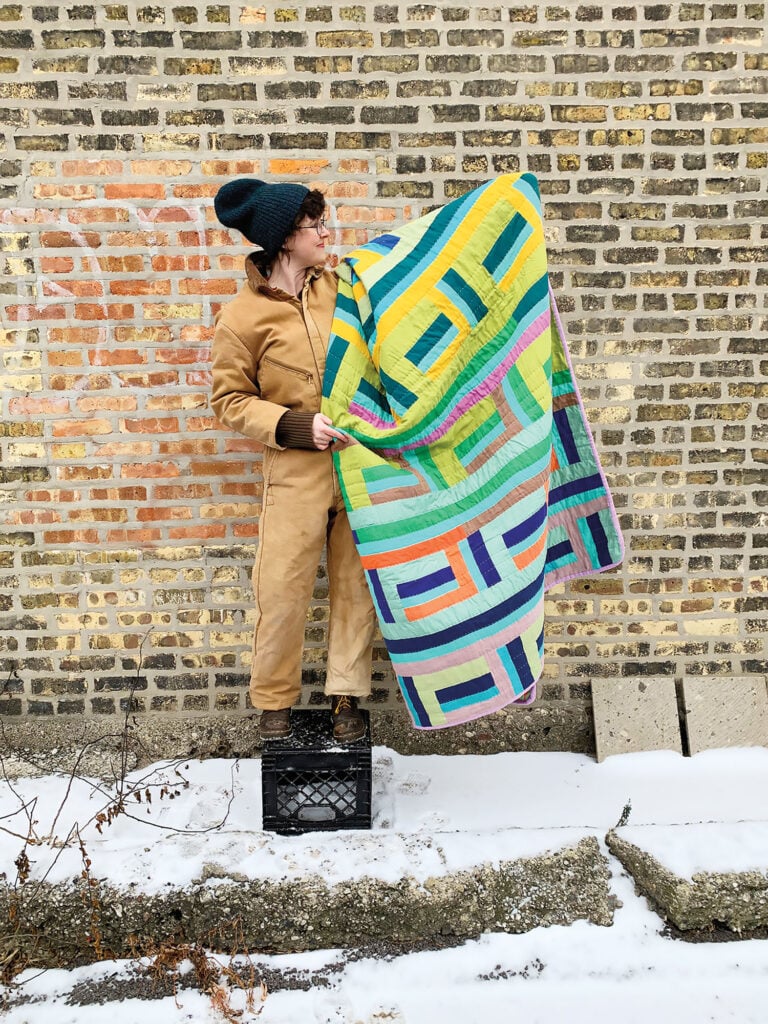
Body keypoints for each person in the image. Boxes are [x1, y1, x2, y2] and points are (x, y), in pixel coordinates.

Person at [210, 178, 376, 742]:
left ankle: (346, 698)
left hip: (359, 466)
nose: (326, 233)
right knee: (282, 588)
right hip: (295, 470)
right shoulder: (241, 316)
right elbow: (229, 401)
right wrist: (296, 426)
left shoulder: (347, 288)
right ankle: (274, 703)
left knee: (356, 585)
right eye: (314, 226)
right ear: (285, 240)